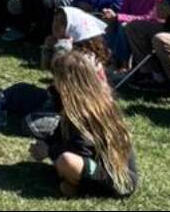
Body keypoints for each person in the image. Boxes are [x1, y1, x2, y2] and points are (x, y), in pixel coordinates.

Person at [29, 51, 139, 199]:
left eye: (56, 79)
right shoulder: (72, 105)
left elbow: (80, 151)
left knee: (66, 161)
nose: (53, 84)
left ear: (68, 82)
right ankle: (75, 185)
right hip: (97, 169)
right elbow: (61, 135)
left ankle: (79, 189)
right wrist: (45, 143)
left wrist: (49, 151)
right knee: (63, 162)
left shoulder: (88, 112)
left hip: (119, 180)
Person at [102, 0, 168, 69]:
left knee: (124, 26)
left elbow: (153, 17)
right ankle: (111, 58)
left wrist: (121, 17)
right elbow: (124, 11)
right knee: (111, 22)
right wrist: (113, 16)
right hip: (133, 23)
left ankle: (122, 63)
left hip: (152, 25)